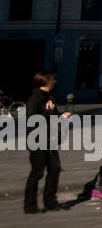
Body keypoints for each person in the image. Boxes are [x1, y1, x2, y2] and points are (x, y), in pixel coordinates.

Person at [25, 72, 70, 213]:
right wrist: (48, 112)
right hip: (38, 140)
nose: (55, 82)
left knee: (54, 169)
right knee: (37, 172)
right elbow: (33, 119)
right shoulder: (36, 97)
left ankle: (50, 202)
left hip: (49, 139)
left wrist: (61, 115)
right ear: (47, 81)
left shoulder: (48, 96)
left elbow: (51, 115)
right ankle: (30, 205)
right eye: (54, 80)